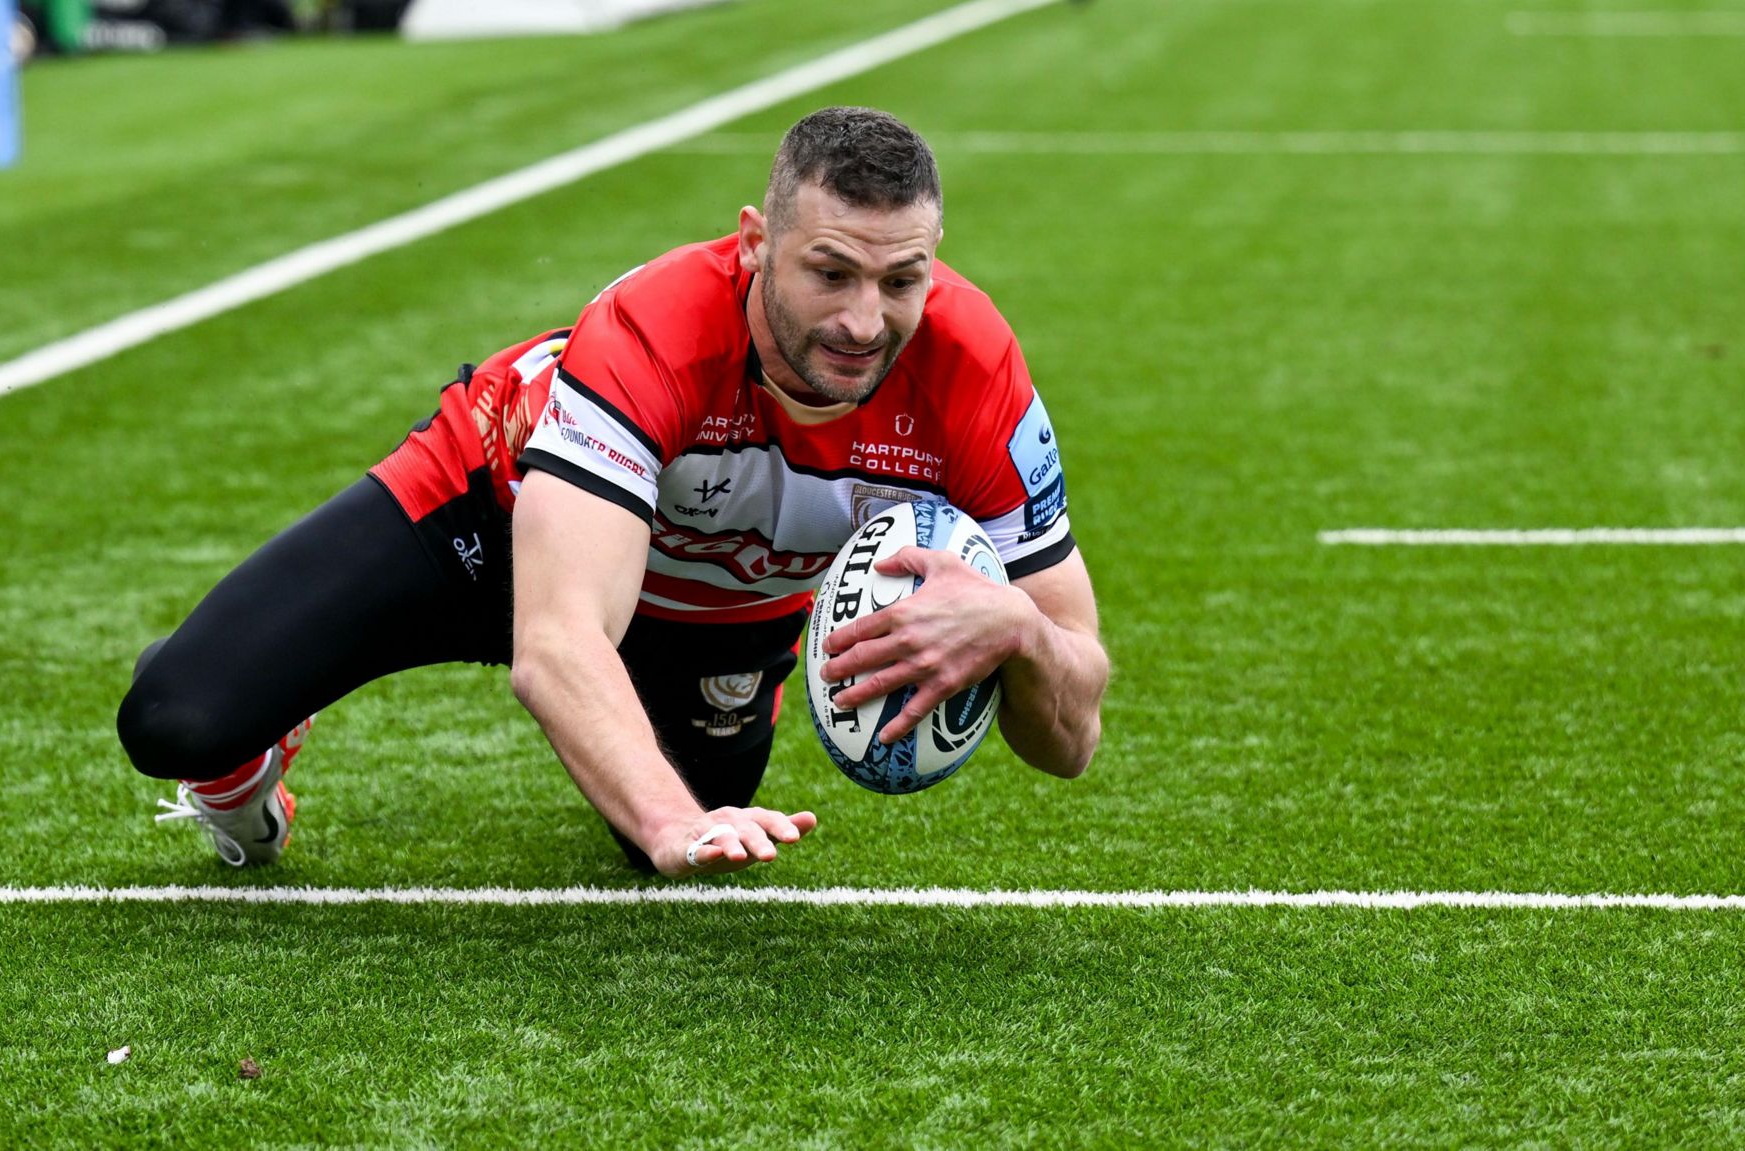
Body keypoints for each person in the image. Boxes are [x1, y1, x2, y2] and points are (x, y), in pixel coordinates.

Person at [117, 106, 1110, 878]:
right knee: (176, 719)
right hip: (485, 514)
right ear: (755, 240)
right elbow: (555, 641)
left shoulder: (973, 366)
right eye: (830, 271)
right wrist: (672, 816)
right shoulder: (656, 326)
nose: (863, 319)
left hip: (713, 610)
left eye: (900, 280)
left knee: (672, 855)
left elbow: (1071, 739)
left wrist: (1017, 630)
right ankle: (261, 726)